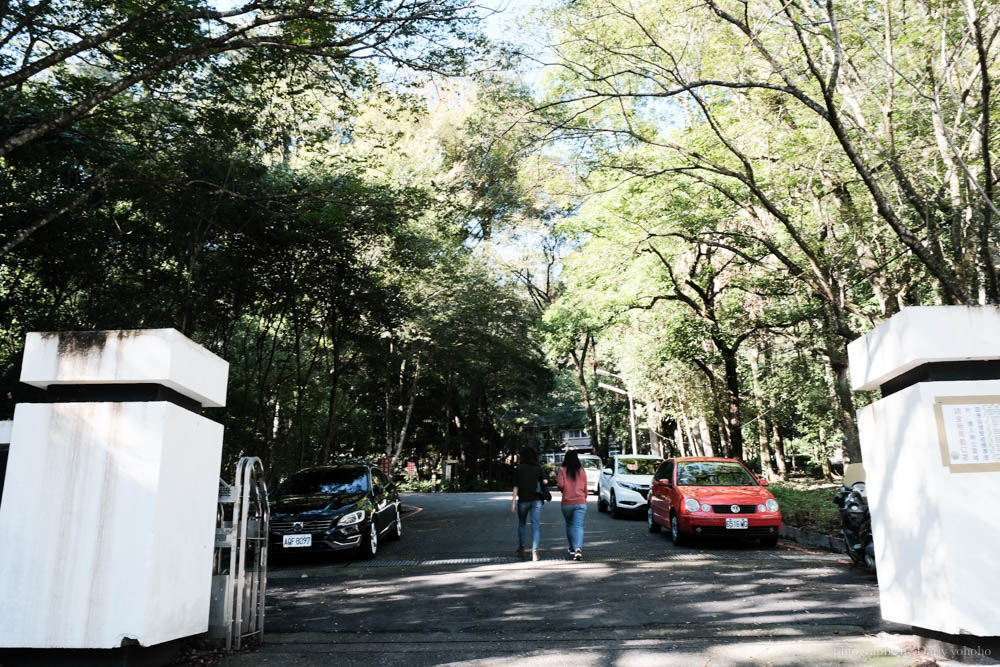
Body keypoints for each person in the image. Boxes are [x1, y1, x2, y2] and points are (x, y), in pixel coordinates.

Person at [511, 447, 544, 561]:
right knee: (535, 526)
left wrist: (513, 503)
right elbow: (543, 481)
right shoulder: (537, 468)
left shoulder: (519, 469)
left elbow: (516, 486)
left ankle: (521, 548)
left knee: (522, 524)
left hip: (523, 501)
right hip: (536, 500)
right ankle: (535, 552)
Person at [557, 450, 588, 561]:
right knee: (578, 526)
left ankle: (572, 548)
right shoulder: (582, 470)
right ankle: (578, 549)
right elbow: (585, 488)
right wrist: (584, 498)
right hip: (580, 502)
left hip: (567, 503)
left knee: (569, 525)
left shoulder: (562, 470)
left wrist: (563, 489)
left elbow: (560, 485)